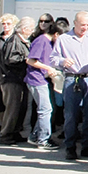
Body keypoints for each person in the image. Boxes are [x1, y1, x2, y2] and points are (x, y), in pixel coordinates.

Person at [51, 11, 88, 161]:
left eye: (87, 25)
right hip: (72, 79)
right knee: (71, 115)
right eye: (82, 25)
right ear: (74, 23)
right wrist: (62, 61)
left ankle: (87, 146)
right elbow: (52, 58)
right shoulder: (64, 39)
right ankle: (70, 147)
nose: (85, 28)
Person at [25, 20, 62, 150]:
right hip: (37, 79)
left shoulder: (49, 42)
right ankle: (43, 139)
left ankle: (36, 135)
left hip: (44, 79)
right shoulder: (41, 41)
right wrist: (48, 68)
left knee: (48, 108)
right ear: (56, 34)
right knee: (45, 109)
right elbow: (30, 60)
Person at [0, 18, 33, 145]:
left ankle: (15, 132)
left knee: (20, 107)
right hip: (11, 79)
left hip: (19, 79)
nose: (32, 31)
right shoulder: (14, 41)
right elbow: (10, 59)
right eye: (31, 28)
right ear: (24, 29)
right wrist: (26, 59)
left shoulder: (21, 41)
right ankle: (6, 134)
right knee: (12, 107)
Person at [0, 14, 17, 134]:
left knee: (11, 101)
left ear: (14, 25)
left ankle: (11, 125)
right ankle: (1, 123)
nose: (5, 26)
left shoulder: (16, 39)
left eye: (8, 23)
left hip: (12, 75)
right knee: (0, 99)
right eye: (3, 24)